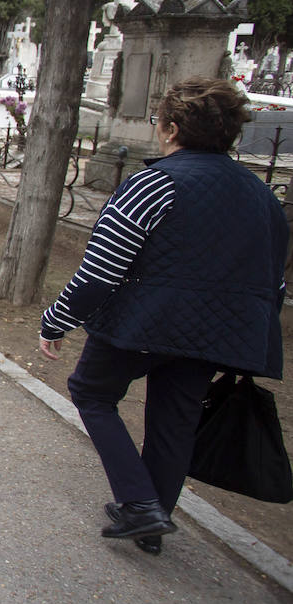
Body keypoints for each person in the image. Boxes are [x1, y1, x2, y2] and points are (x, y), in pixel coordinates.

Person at [39, 77, 287, 555]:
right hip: (217, 336)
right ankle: (152, 524)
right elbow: (272, 283)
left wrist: (56, 319)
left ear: (171, 129)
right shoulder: (263, 199)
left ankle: (139, 503)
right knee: (175, 420)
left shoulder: (152, 185)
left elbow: (101, 268)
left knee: (91, 393)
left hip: (143, 324)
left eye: (159, 123)